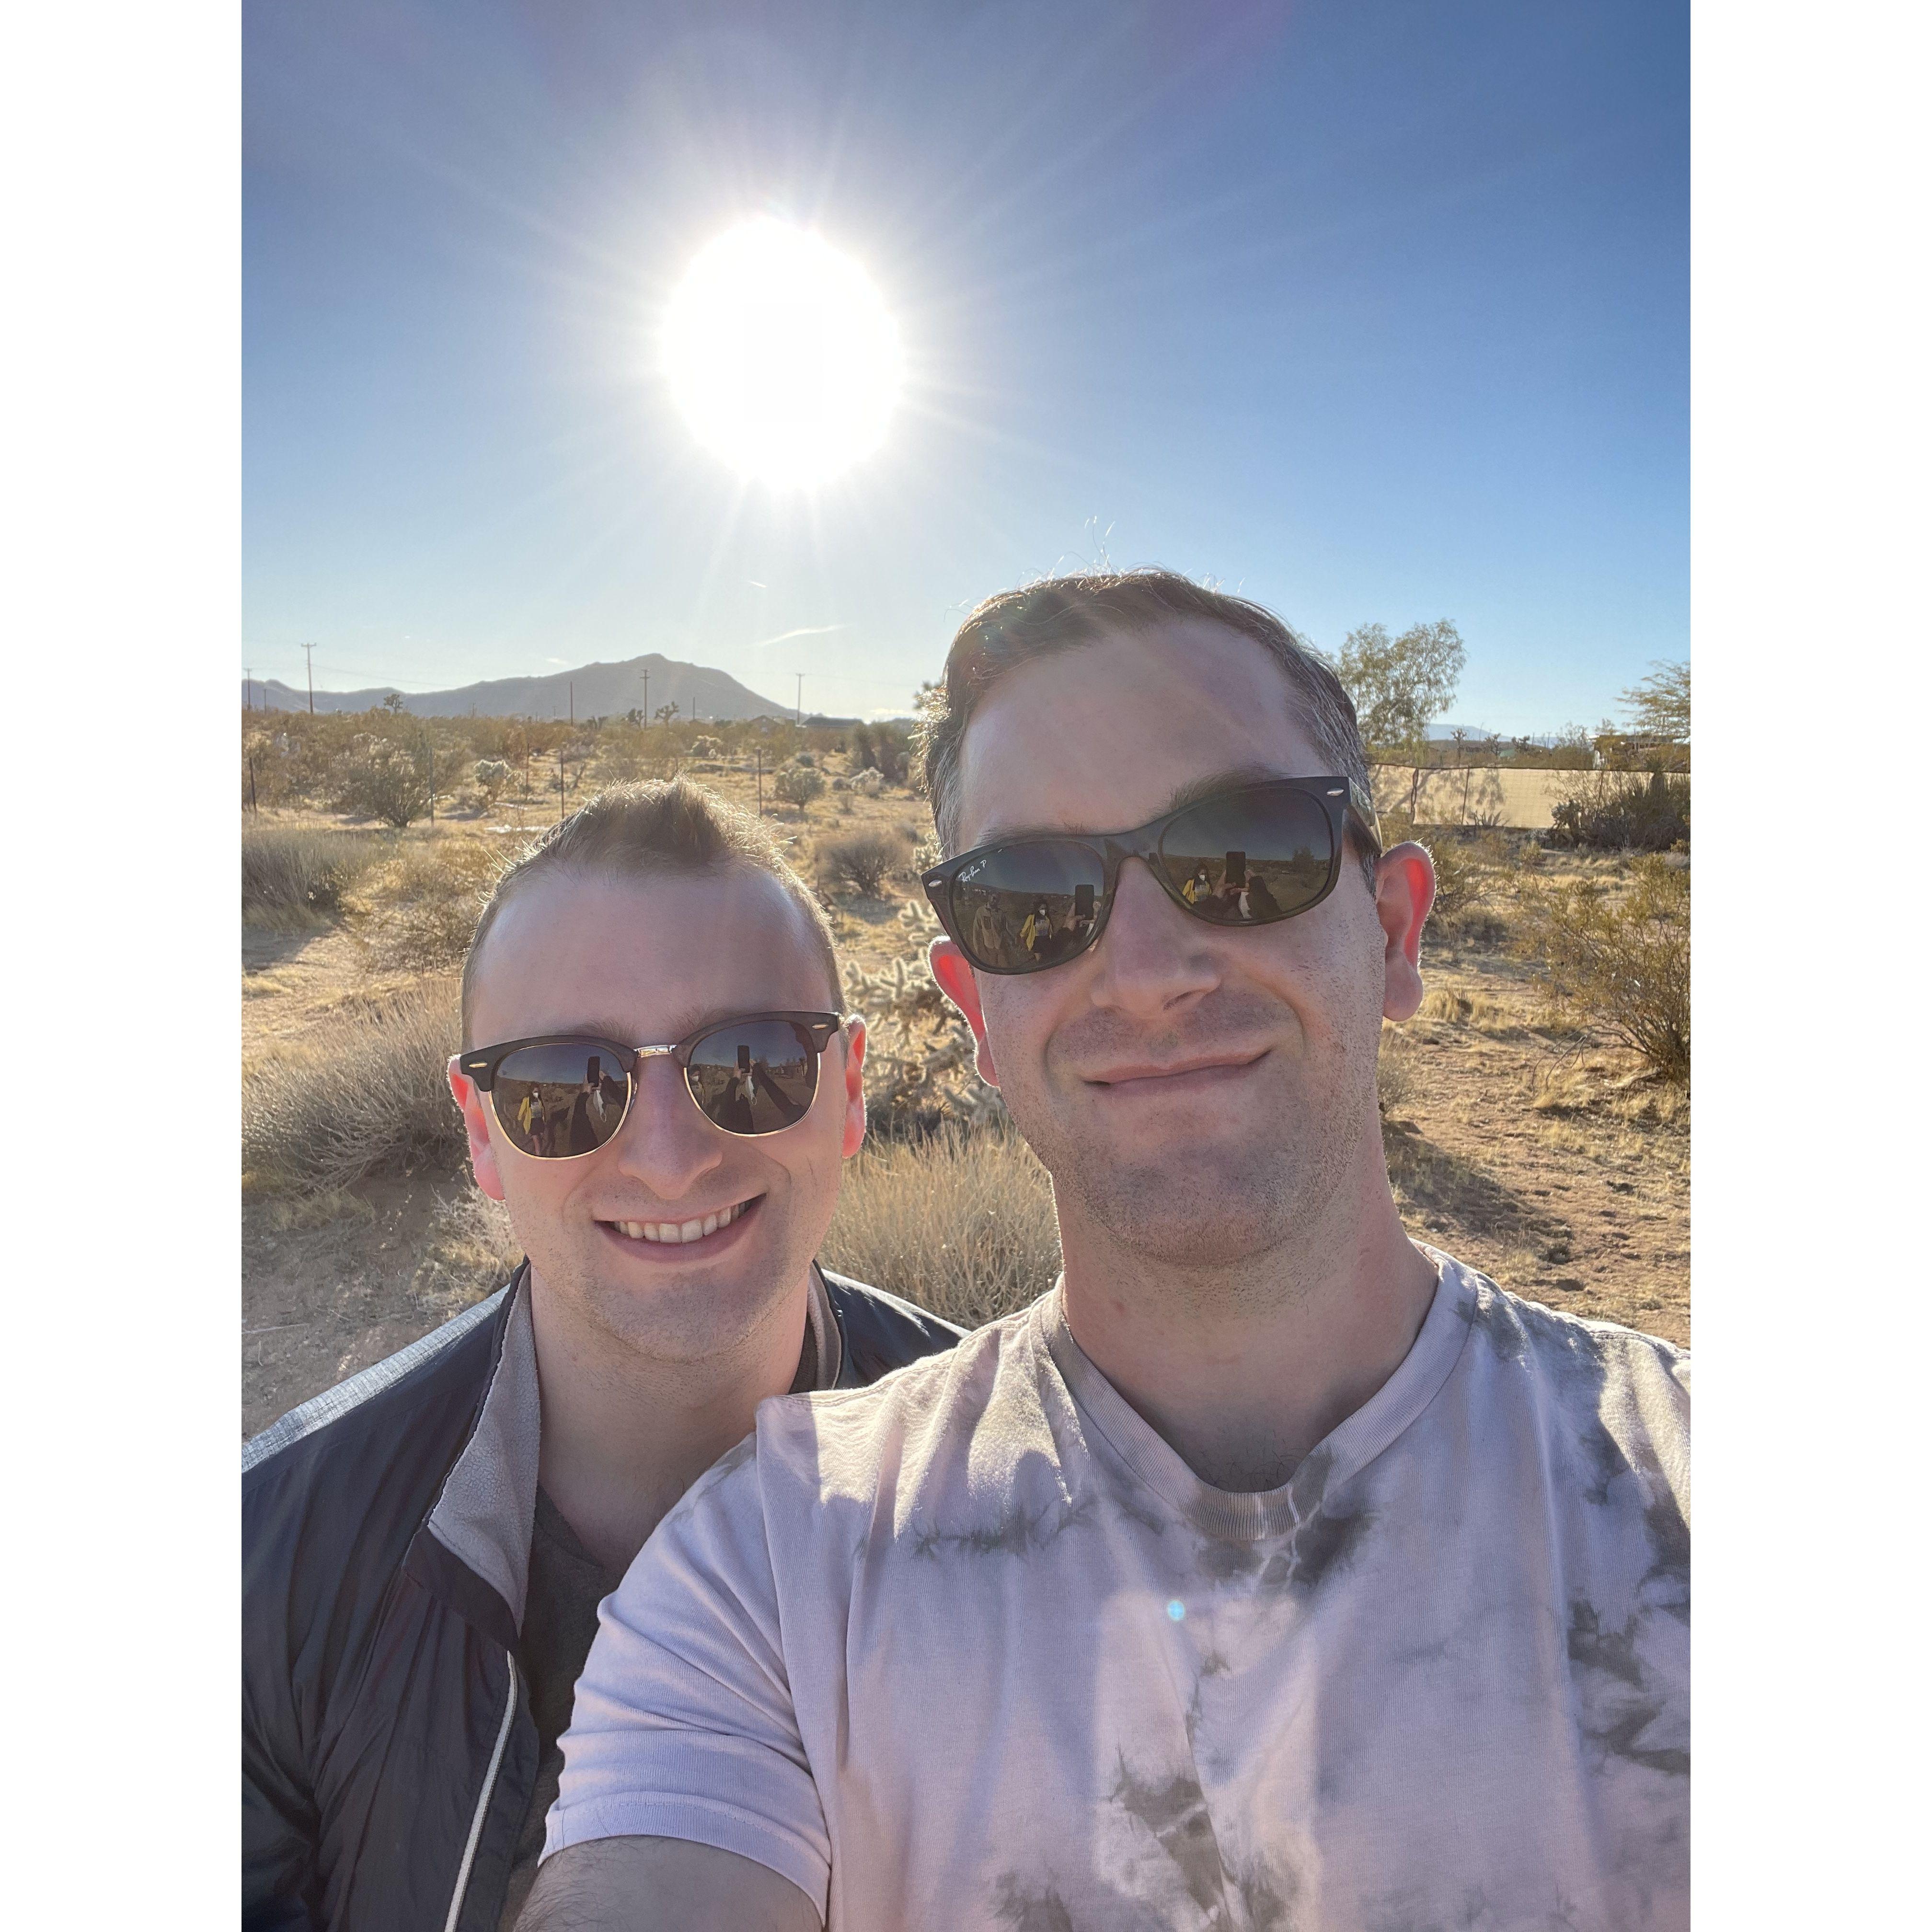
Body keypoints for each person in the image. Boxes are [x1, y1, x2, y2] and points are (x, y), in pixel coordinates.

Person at [525, 573, 1690, 1931]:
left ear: (1393, 929)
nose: (1143, 967)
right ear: (973, 1005)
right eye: (1037, 896)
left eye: (1242, 854)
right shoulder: (773, 1576)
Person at [242, 781, 962, 1932]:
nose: (671, 1159)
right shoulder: (261, 1572)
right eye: (564, 1087)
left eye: (752, 1062)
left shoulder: (1042, 1482)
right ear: (483, 1133)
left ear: (851, 1091)